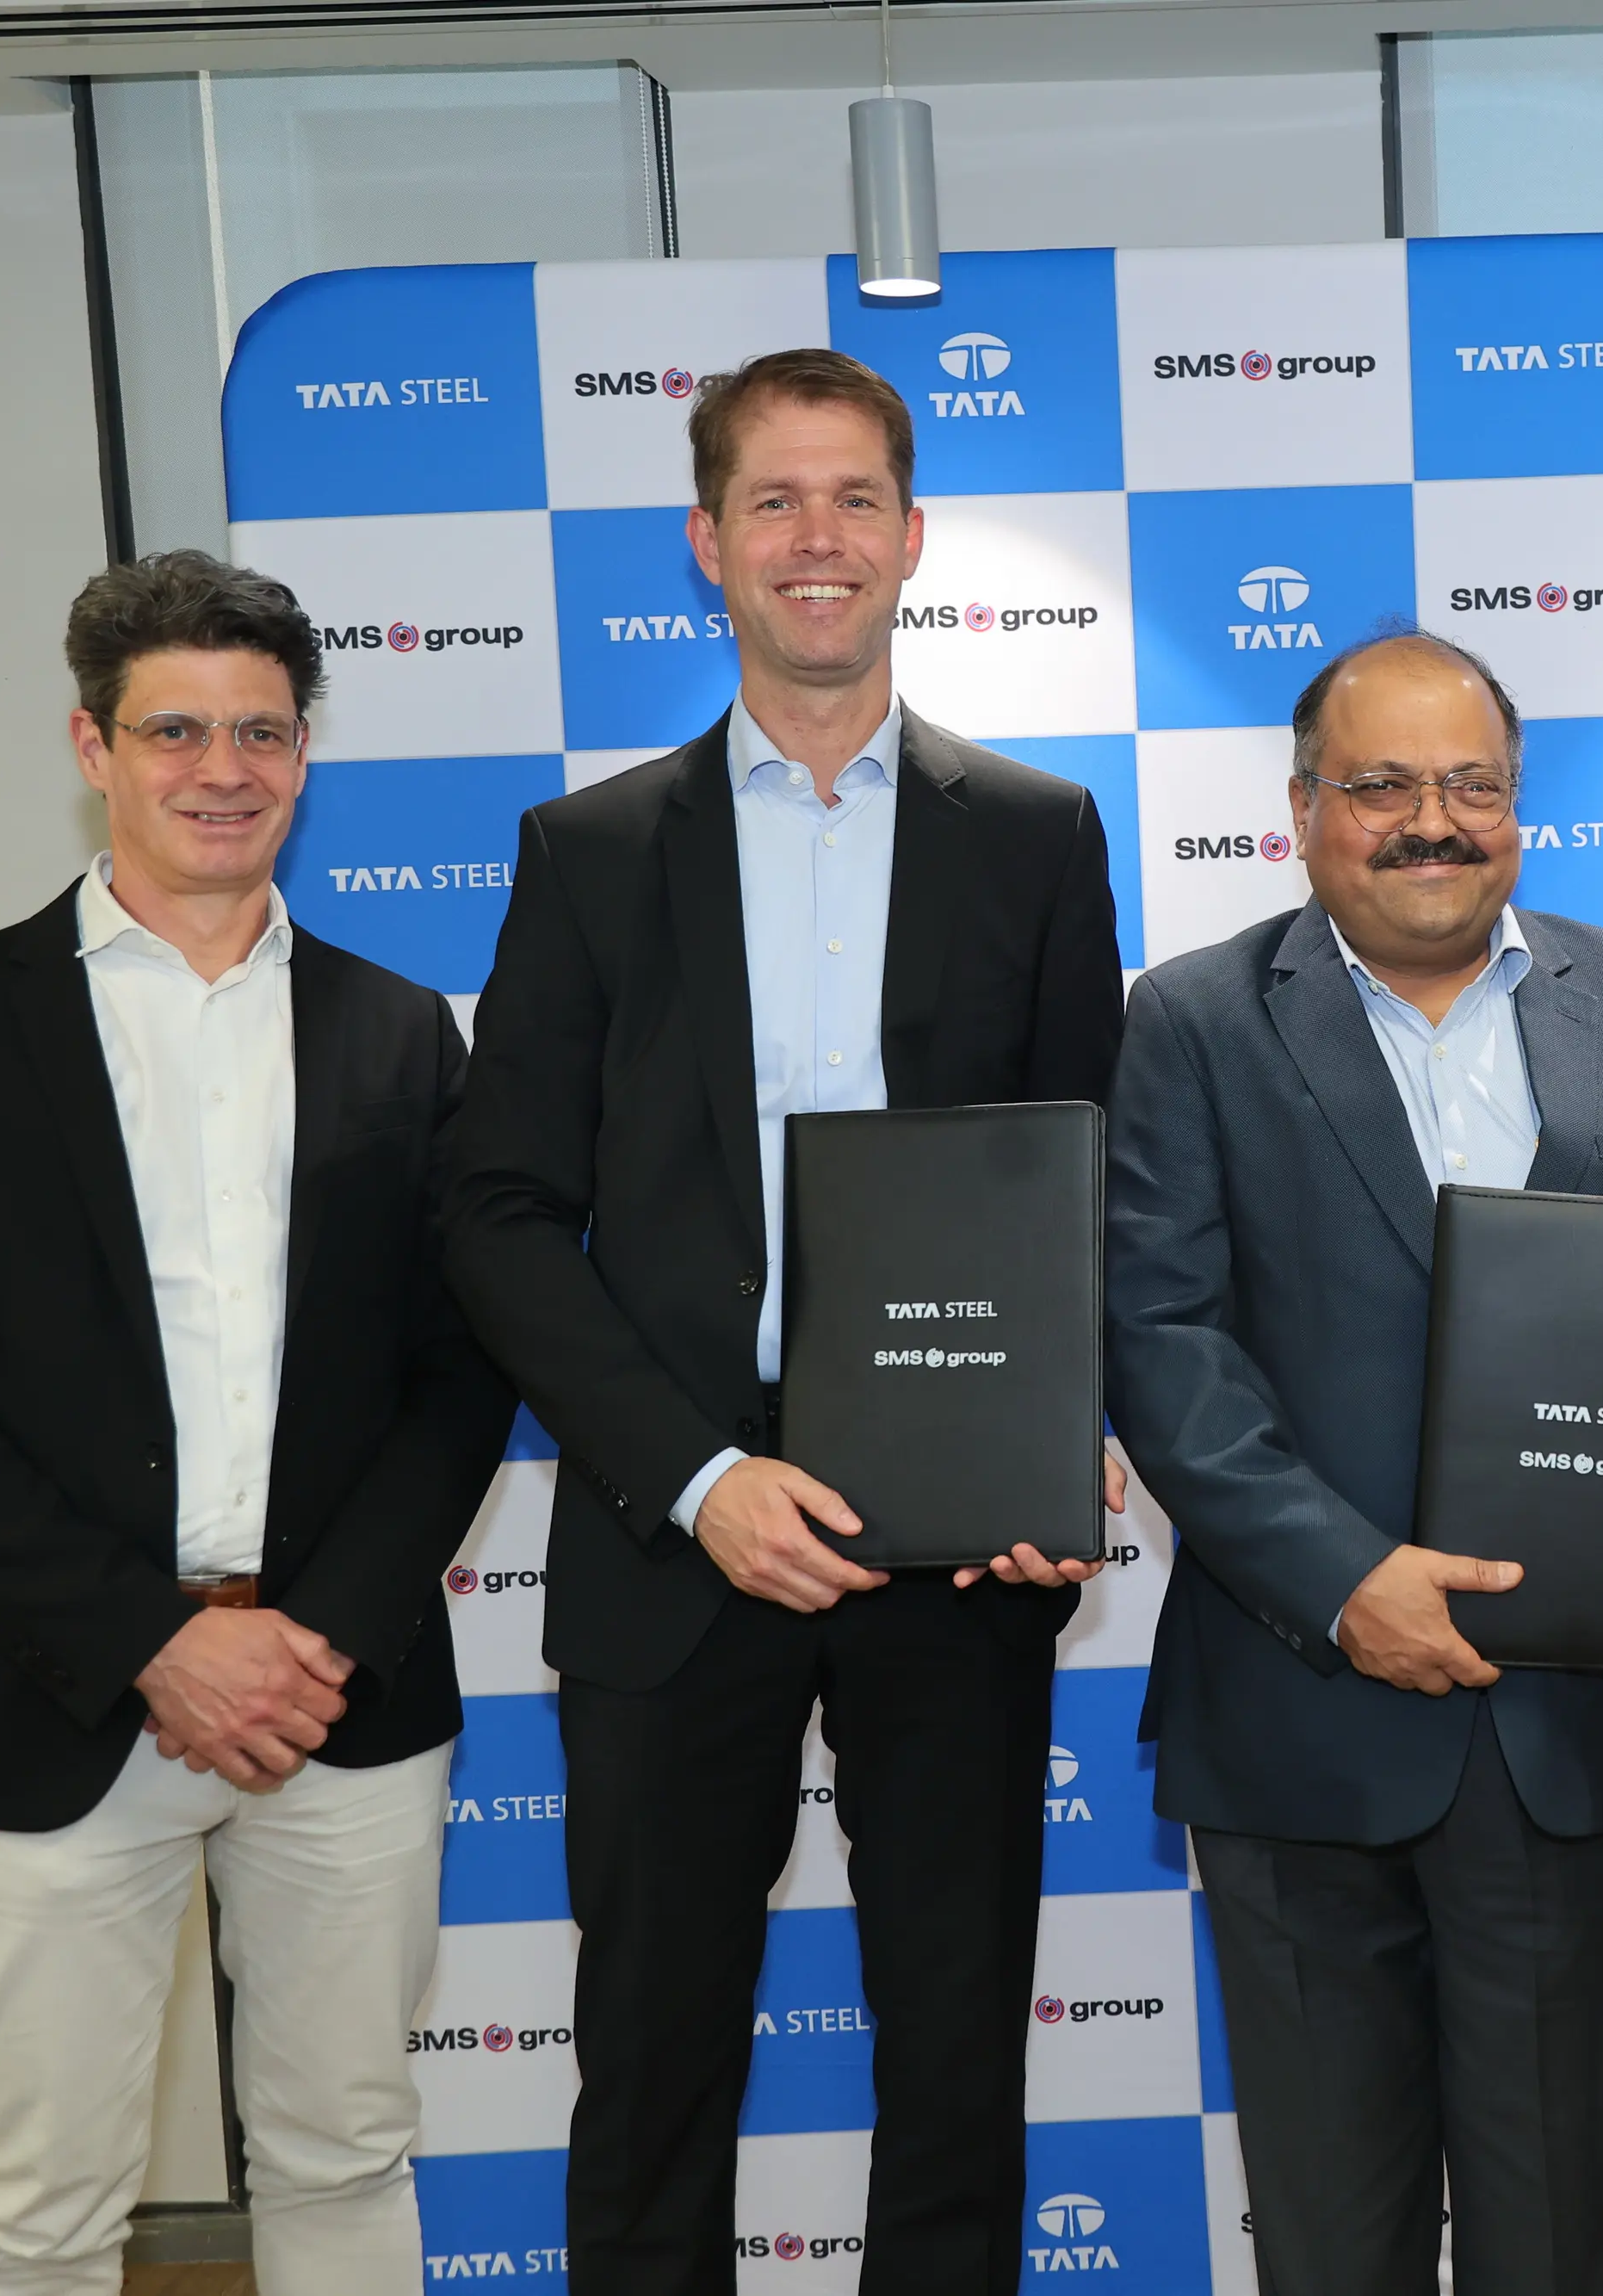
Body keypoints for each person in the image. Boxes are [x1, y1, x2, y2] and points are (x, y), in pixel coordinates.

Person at [442, 347, 1125, 2296]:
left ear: (910, 538)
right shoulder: (589, 853)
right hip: (676, 1537)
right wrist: (696, 1475)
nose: (815, 538)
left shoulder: (1037, 832)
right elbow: (496, 1213)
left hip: (957, 1542)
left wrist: (1049, 1442)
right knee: (651, 2073)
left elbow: (1083, 1182)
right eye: (773, 501)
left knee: (957, 2067)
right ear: (707, 541)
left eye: (852, 500)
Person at [0, 551, 517, 2296]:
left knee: (346, 2156)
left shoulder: (401, 1033)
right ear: (94, 747)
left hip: (342, 1700)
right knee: (42, 2204)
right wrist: (155, 1642)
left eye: (262, 731)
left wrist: (313, 1634)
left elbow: (459, 1372)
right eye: (175, 730)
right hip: (49, 1693)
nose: (224, 768)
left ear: (305, 754)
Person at [1104, 629, 1603, 2296]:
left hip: (1561, 1721)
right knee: (1333, 2238)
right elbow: (1163, 1341)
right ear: (1303, 811)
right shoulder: (1192, 1018)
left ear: (1518, 806)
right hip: (1296, 1714)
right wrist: (1348, 1582)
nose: (1431, 821)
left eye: (1472, 783)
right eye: (1382, 784)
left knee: (1555, 2231)